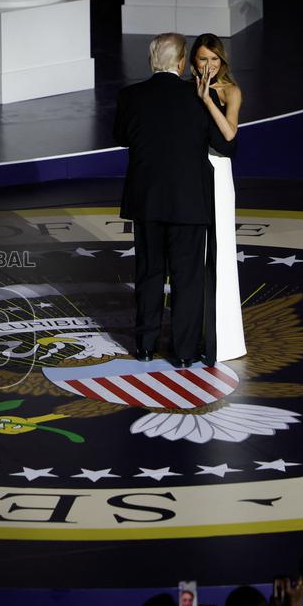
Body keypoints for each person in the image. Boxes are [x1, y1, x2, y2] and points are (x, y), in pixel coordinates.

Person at [113, 33, 236, 367]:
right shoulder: (200, 96)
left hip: (147, 202)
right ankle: (183, 353)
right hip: (189, 203)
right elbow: (226, 145)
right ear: (182, 62)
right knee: (187, 278)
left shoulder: (129, 96)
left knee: (150, 273)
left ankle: (145, 347)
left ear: (152, 61)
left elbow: (121, 138)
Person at [191, 33, 245, 363]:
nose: (209, 65)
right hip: (190, 172)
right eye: (202, 59)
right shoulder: (185, 93)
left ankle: (223, 340)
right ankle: (193, 331)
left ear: (221, 61)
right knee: (193, 252)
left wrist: (207, 99)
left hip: (219, 172)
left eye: (214, 59)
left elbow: (228, 134)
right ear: (193, 62)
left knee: (220, 251)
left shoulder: (231, 91)